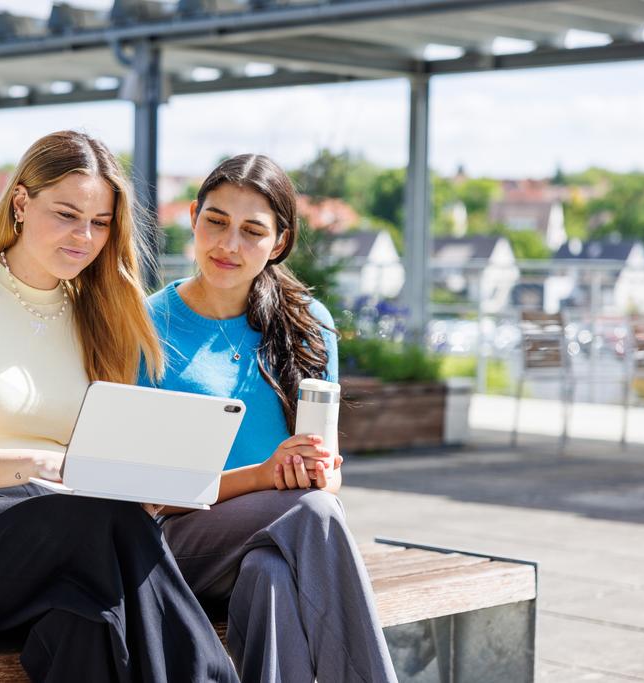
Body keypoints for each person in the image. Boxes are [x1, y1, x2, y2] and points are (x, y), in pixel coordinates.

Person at [0, 130, 239, 682]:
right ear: (22, 203)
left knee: (86, 627)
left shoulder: (95, 311)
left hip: (77, 547)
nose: (85, 236)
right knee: (106, 520)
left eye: (100, 222)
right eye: (67, 214)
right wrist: (42, 464)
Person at [140, 154, 397, 683]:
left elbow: (326, 477)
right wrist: (266, 478)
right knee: (315, 513)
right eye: (216, 222)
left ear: (278, 243)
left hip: (276, 538)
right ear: (193, 217)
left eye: (252, 231)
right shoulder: (145, 326)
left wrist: (320, 471)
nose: (228, 245)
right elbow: (145, 493)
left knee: (271, 576)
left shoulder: (307, 323)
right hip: (174, 544)